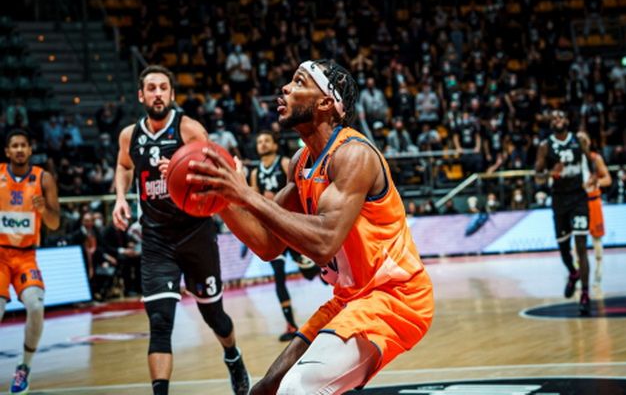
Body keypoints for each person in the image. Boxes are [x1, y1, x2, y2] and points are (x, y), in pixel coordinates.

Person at [188, 59, 434, 394]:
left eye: (299, 82)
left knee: (297, 389)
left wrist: (244, 193)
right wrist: (223, 199)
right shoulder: (300, 163)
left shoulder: (353, 155)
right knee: (266, 390)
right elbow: (267, 245)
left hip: (395, 297)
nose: (285, 88)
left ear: (325, 103)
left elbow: (324, 243)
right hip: (349, 298)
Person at [111, 65, 250, 395]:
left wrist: (180, 171)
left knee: (214, 316)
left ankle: (233, 356)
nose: (158, 94)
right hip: (156, 238)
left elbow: (217, 173)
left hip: (195, 234)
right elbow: (124, 165)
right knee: (160, 322)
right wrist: (120, 198)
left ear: (172, 94)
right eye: (151, 88)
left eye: (163, 88)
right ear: (141, 95)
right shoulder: (129, 135)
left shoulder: (189, 129)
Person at [1, 128, 60, 394]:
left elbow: (55, 223)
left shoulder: (43, 178)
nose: (19, 149)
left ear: (30, 149)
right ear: (7, 151)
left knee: (36, 306)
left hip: (26, 256)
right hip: (0, 255)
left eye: (23, 145)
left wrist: (43, 209)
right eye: (14, 146)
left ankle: (24, 367)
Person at [535, 110, 592, 316]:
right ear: (551, 124)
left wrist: (594, 177)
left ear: (567, 120)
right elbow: (538, 177)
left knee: (581, 247)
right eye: (554, 118)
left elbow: (591, 161)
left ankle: (585, 294)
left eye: (560, 117)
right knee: (564, 249)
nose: (557, 120)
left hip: (578, 199)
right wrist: (551, 173)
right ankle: (573, 273)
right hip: (559, 201)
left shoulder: (579, 140)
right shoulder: (545, 146)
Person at [249, 130, 299, 342]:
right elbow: (253, 201)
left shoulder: (285, 163)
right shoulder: (254, 173)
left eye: (266, 140)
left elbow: (298, 190)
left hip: (293, 226)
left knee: (312, 271)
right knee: (279, 278)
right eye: (259, 141)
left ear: (275, 145)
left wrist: (278, 198)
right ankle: (291, 325)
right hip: (274, 231)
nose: (262, 144)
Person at [584, 147, 612, 283]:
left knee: (597, 239)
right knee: (578, 240)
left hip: (593, 202)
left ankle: (598, 272)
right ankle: (578, 274)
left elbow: (608, 179)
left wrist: (598, 182)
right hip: (577, 203)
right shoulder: (571, 157)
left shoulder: (595, 158)